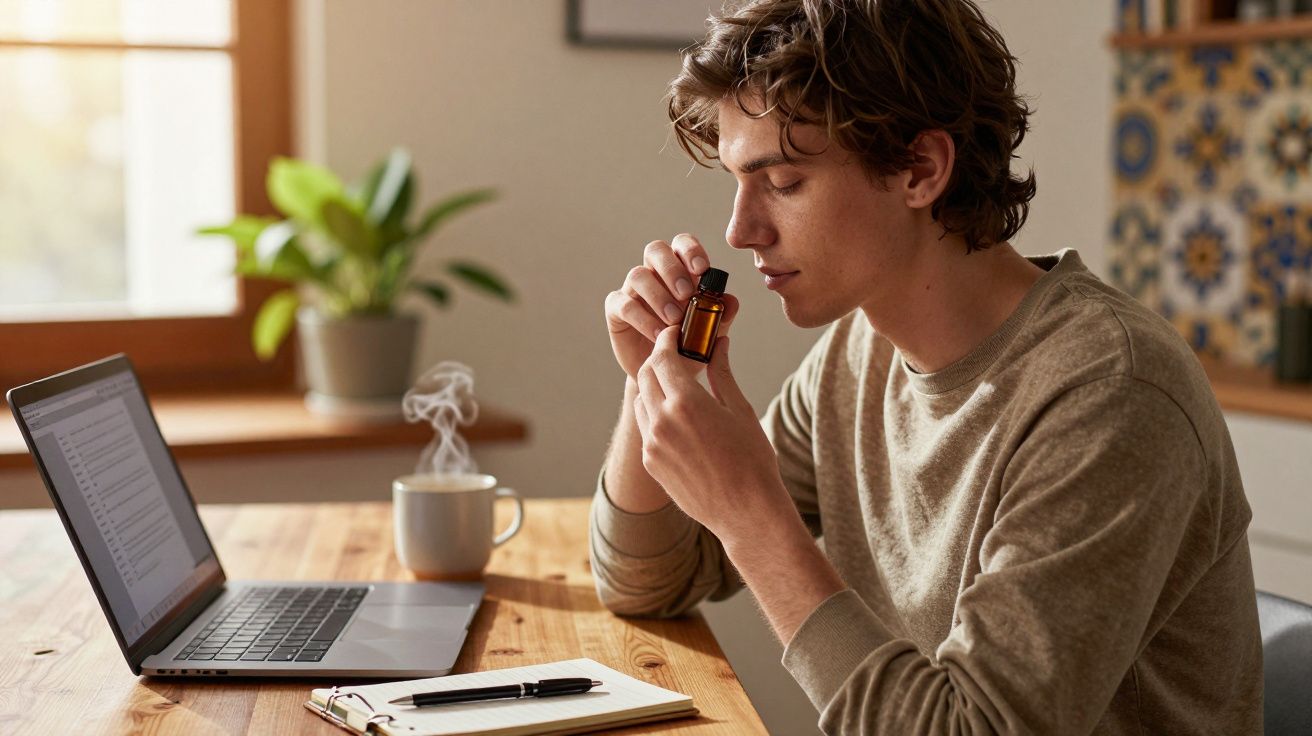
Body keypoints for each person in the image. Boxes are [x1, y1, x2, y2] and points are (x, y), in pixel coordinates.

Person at [589, 0, 1263, 733]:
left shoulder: (1110, 393)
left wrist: (750, 515)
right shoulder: (859, 354)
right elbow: (644, 583)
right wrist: (650, 378)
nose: (739, 229)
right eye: (737, 181)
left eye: (782, 183)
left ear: (921, 169)